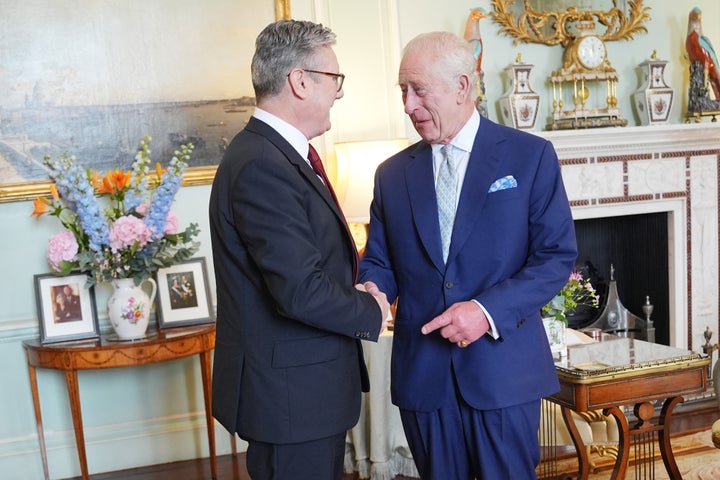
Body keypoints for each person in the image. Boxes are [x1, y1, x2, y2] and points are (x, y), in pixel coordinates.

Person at [359, 31, 577, 479]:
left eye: (418, 89)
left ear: (461, 86)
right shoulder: (391, 174)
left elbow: (555, 257)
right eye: (403, 90)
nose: (408, 105)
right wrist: (371, 290)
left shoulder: (530, 157)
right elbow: (379, 259)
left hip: (503, 374)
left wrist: (484, 311)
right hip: (424, 377)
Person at [209, 19, 390, 480]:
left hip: (300, 395)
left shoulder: (275, 155)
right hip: (290, 400)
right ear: (300, 81)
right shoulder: (262, 165)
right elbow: (299, 291)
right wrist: (371, 307)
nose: (340, 93)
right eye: (335, 79)